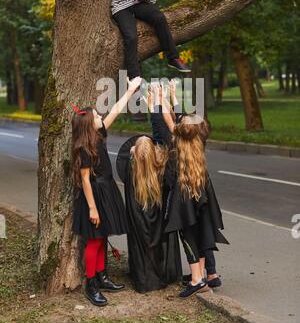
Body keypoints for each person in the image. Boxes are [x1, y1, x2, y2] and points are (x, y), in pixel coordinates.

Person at [152, 83, 228, 299]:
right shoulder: (198, 140)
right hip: (202, 192)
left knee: (188, 236)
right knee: (202, 232)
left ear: (179, 131)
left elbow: (165, 121)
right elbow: (176, 122)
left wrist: (159, 99)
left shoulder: (175, 146)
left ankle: (197, 279)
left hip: (184, 198)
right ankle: (202, 276)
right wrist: (172, 96)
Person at [72, 77, 141, 306]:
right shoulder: (83, 148)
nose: (102, 118)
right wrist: (92, 208)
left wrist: (130, 90)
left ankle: (102, 276)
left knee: (103, 237)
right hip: (94, 196)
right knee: (93, 240)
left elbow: (116, 110)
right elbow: (84, 180)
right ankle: (91, 284)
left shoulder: (99, 135)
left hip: (107, 189)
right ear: (88, 123)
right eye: (98, 117)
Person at [116, 132, 182, 293]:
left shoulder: (131, 169)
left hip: (137, 216)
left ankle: (142, 279)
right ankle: (157, 275)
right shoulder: (160, 167)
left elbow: (129, 160)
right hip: (156, 216)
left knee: (140, 247)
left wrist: (133, 152)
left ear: (135, 153)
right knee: (155, 246)